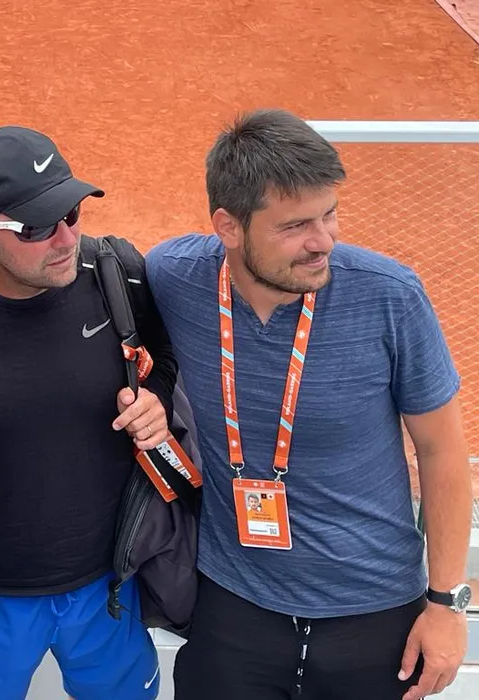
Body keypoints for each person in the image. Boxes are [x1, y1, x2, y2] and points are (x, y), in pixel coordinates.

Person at [145, 108, 472, 700]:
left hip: (376, 614)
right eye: (295, 225)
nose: (323, 241)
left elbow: (442, 450)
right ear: (228, 226)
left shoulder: (390, 296)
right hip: (232, 605)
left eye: (329, 214)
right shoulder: (173, 277)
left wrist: (447, 603)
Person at [0, 125, 177, 700]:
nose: (66, 238)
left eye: (71, 214)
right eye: (37, 227)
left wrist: (157, 400)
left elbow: (163, 357)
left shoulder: (117, 275)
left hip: (108, 585)